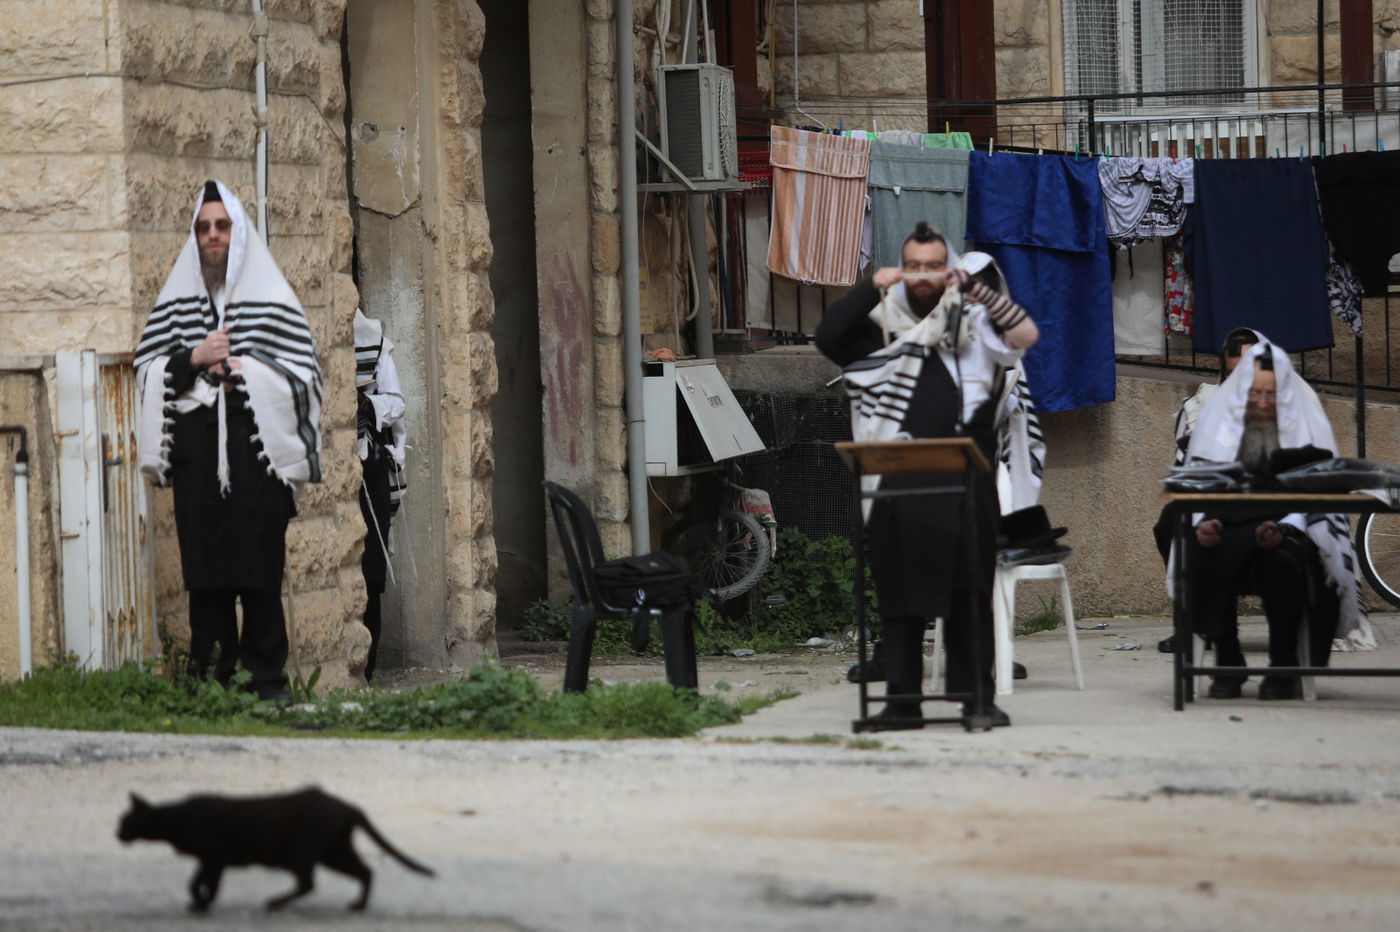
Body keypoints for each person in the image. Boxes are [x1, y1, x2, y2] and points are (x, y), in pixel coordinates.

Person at [817, 222, 1039, 729]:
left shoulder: (976, 323)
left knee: (968, 596)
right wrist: (874, 283)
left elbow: (1024, 335)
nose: (922, 276)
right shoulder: (880, 326)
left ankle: (975, 700)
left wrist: (975, 288)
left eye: (932, 266)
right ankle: (902, 705)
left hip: (967, 483)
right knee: (899, 597)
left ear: (947, 269)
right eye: (913, 266)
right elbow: (828, 336)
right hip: (896, 483)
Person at [135, 180, 323, 702]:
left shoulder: (272, 297)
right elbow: (147, 370)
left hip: (258, 460)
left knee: (260, 577)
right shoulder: (176, 301)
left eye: (221, 226)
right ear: (194, 236)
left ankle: (266, 684)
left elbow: (307, 376)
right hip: (199, 462)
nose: (212, 235)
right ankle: (212, 684)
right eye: (203, 227)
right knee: (208, 580)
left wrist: (248, 370)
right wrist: (194, 357)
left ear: (237, 232)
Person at [1176, 337, 1365, 699]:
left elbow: (1316, 494)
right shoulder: (1221, 425)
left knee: (1281, 562)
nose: (1262, 404)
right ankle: (1228, 663)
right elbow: (1199, 482)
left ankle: (1283, 666)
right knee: (1202, 552)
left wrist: (1285, 526)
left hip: (1291, 531)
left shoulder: (1304, 425)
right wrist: (1205, 522)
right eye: (1254, 394)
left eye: (1271, 395)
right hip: (1230, 526)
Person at [1153, 326, 1259, 653]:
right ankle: (1191, 624)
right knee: (1171, 521)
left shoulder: (1280, 398)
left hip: (1265, 496)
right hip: (1216, 492)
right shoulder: (1209, 403)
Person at [354, 309, 407, 682]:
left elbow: (396, 401)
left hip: (366, 463)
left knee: (370, 564)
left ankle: (368, 666)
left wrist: (365, 404)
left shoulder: (373, 341)